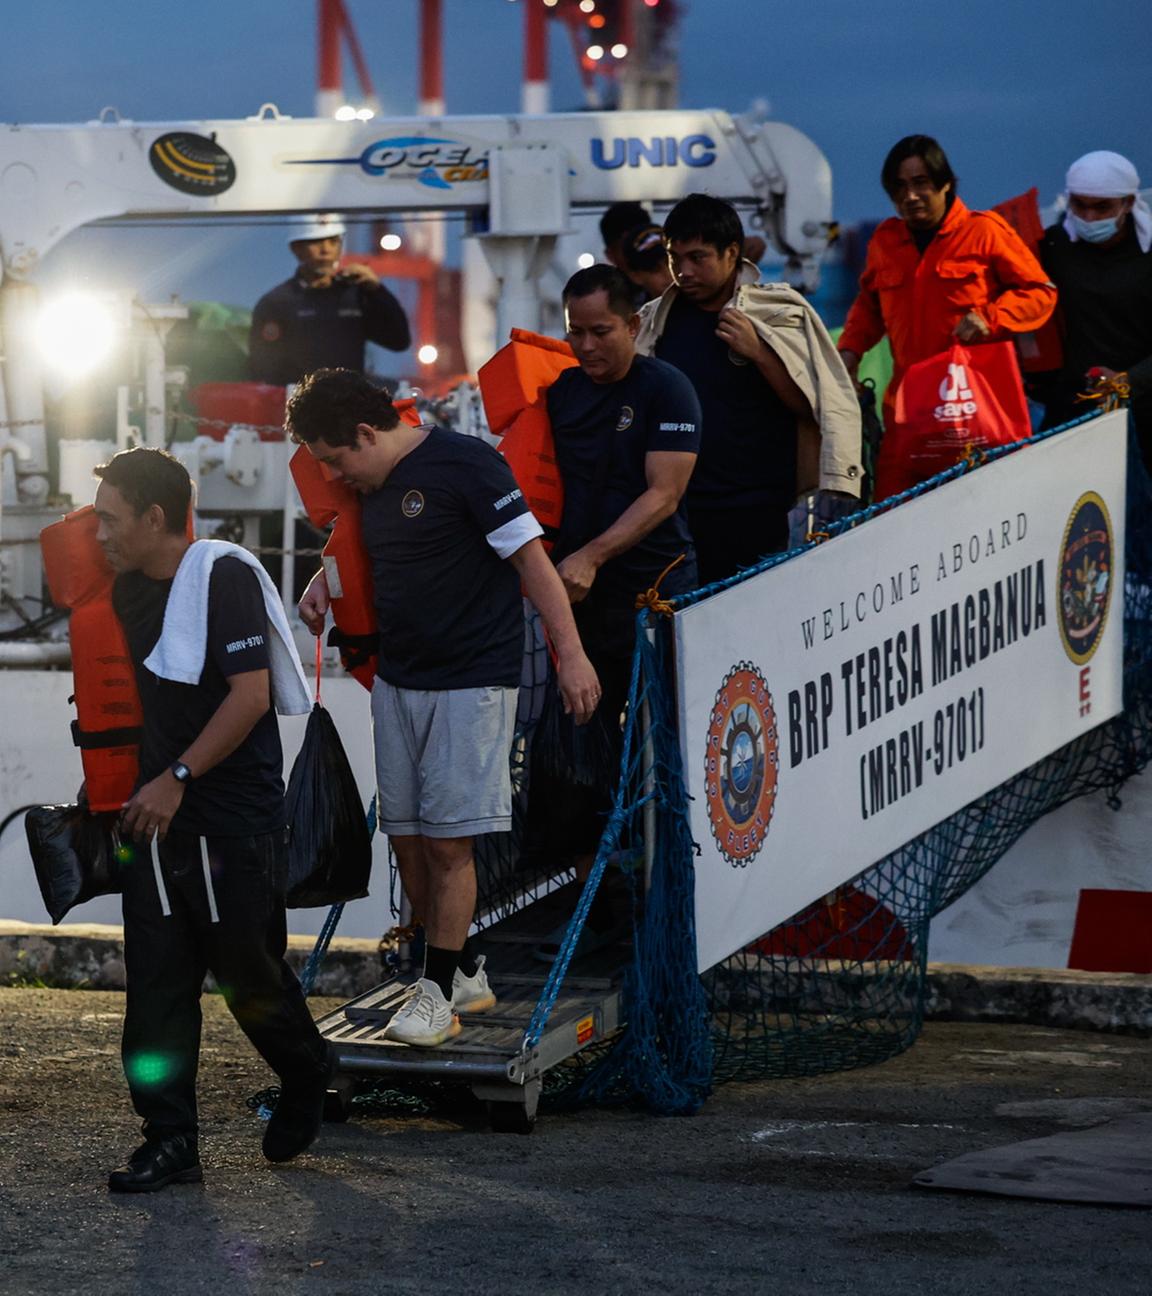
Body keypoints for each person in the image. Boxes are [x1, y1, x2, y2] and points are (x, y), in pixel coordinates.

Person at [289, 370, 600, 1046]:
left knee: (448, 843)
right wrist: (322, 581)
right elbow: (364, 548)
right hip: (400, 681)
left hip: (473, 682)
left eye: (340, 460)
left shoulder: (469, 464)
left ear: (367, 434)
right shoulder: (369, 486)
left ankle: (434, 994)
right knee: (406, 838)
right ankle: (459, 971)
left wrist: (570, 655)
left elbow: (534, 565)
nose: (340, 476)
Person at [93, 447, 330, 1192]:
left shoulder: (221, 577)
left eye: (110, 518)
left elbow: (251, 696)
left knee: (247, 973)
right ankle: (169, 1140)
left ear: (155, 518)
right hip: (155, 819)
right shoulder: (128, 591)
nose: (98, 533)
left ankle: (308, 1074)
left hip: (232, 816)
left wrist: (178, 777)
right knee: (156, 981)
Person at [530, 265, 700, 956]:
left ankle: (666, 911)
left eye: (601, 331)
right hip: (577, 600)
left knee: (657, 751)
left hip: (653, 592)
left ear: (633, 326)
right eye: (575, 332)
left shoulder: (666, 388)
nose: (587, 346)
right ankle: (592, 906)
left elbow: (664, 494)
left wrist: (593, 556)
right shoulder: (562, 393)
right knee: (576, 750)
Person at [636, 193, 862, 583]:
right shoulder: (655, 323)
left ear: (732, 253)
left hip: (760, 508)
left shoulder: (776, 312)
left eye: (698, 257)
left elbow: (810, 406)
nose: (684, 270)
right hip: (680, 511)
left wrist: (758, 352)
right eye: (676, 258)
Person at [838, 135, 1057, 431]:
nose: (910, 195)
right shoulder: (885, 242)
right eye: (899, 187)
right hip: (910, 403)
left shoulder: (984, 231)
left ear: (946, 183)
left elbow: (1040, 293)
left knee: (985, 476)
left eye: (920, 182)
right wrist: (848, 352)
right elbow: (870, 308)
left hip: (976, 400)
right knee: (897, 478)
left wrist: (990, 318)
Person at [1032, 150, 1152, 461]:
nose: (1089, 218)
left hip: (1144, 411)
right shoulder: (1054, 246)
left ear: (1127, 203)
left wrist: (1128, 382)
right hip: (1072, 410)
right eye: (1080, 206)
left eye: (1102, 208)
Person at [248, 213, 410, 386]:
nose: (326, 250)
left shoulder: (355, 295)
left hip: (350, 404)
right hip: (301, 407)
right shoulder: (277, 303)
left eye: (333, 242)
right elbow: (262, 367)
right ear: (297, 249)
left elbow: (399, 341)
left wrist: (377, 289)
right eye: (316, 242)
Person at [620, 223, 674, 301]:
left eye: (671, 262)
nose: (668, 274)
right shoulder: (633, 312)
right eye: (655, 269)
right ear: (635, 276)